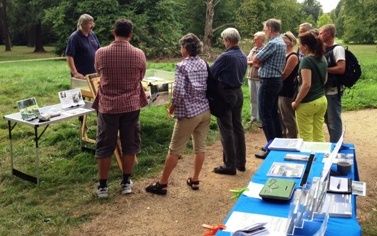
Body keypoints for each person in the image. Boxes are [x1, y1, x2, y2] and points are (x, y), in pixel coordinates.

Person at [145, 33, 211, 195]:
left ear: (186, 48)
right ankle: (195, 179)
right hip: (204, 110)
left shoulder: (182, 66)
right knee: (200, 147)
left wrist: (172, 108)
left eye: (181, 47)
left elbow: (179, 92)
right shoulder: (203, 63)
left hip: (189, 113)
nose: (180, 50)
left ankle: (162, 183)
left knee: (174, 149)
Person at [93, 18, 148, 198]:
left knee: (105, 144)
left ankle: (103, 186)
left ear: (113, 32)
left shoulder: (101, 53)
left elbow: (99, 72)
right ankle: (126, 182)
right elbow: (141, 76)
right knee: (130, 143)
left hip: (108, 106)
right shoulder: (139, 54)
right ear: (130, 34)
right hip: (131, 105)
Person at [211, 28, 247, 175]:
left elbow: (211, 73)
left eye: (223, 40)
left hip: (226, 94)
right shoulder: (243, 55)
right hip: (238, 92)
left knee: (226, 129)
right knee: (238, 128)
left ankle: (229, 165)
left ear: (227, 41)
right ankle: (240, 162)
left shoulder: (225, 57)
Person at [252, 19, 286, 159]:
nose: (264, 32)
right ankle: (278, 144)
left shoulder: (272, 43)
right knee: (273, 113)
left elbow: (255, 59)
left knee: (265, 115)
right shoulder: (282, 42)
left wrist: (260, 61)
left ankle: (271, 148)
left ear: (271, 29)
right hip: (276, 80)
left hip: (268, 81)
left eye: (265, 29)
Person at [292, 31, 328, 141]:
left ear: (306, 46)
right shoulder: (323, 58)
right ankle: (321, 157)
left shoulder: (306, 60)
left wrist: (296, 102)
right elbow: (325, 80)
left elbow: (306, 84)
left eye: (300, 44)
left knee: (306, 138)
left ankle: (308, 158)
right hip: (321, 99)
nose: (299, 47)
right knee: (319, 134)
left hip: (308, 102)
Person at [319, 24, 346, 143]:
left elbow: (341, 68)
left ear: (328, 33)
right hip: (324, 89)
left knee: (334, 121)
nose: (319, 35)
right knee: (327, 119)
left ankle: (336, 148)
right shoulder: (324, 49)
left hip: (333, 90)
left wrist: (323, 69)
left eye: (321, 33)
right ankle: (334, 144)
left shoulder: (337, 49)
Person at [65, 14, 100, 79]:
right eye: (89, 24)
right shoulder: (74, 37)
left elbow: (99, 50)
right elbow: (69, 56)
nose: (92, 26)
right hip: (81, 75)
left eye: (92, 23)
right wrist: (75, 73)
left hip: (94, 74)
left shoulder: (92, 35)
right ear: (82, 25)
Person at [279, 31, 299, 138]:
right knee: (282, 117)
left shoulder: (292, 56)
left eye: (282, 41)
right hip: (281, 90)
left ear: (289, 42)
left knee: (288, 118)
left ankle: (292, 139)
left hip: (287, 91)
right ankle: (285, 139)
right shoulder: (285, 55)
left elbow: (284, 75)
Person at [246, 31, 265, 126]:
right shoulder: (253, 49)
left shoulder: (265, 49)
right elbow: (247, 60)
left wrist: (253, 62)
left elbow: (261, 63)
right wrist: (254, 62)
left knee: (260, 98)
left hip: (259, 78)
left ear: (262, 40)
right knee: (252, 98)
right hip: (251, 77)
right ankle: (253, 117)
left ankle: (261, 119)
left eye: (256, 39)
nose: (254, 41)